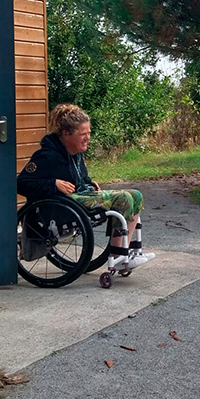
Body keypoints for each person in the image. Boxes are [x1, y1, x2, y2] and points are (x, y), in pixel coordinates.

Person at [17, 104, 154, 273]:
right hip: (60, 207)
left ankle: (127, 253)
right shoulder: (46, 156)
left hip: (79, 197)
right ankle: (117, 255)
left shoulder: (76, 153)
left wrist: (90, 182)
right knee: (123, 198)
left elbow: (79, 177)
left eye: (89, 133)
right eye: (83, 134)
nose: (87, 138)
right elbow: (22, 183)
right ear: (66, 134)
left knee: (136, 195)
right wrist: (53, 184)